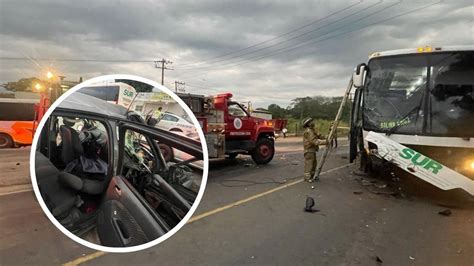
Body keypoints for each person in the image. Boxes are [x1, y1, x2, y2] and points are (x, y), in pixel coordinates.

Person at [302, 117, 327, 182]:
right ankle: (307, 178)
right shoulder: (309, 131)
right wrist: (325, 142)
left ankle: (312, 176)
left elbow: (319, 135)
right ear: (308, 124)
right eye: (311, 122)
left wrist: (326, 137)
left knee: (313, 164)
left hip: (312, 150)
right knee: (309, 165)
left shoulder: (312, 130)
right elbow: (314, 141)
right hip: (309, 150)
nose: (313, 123)